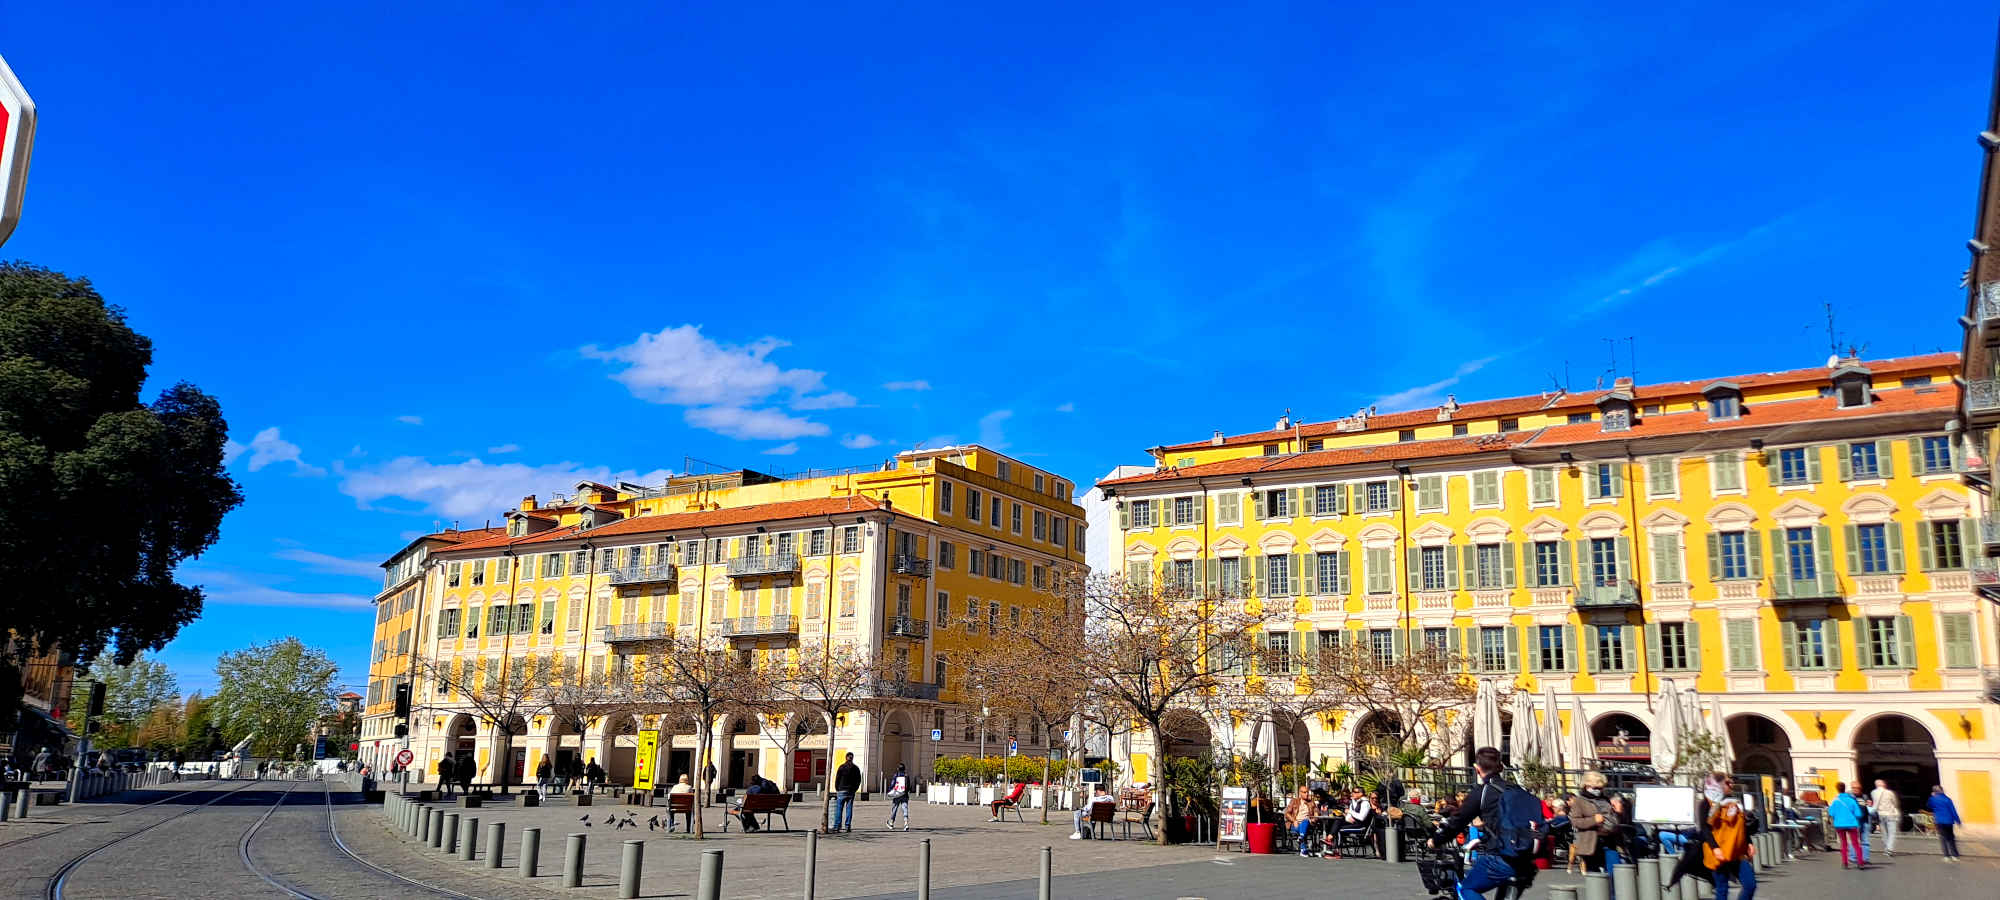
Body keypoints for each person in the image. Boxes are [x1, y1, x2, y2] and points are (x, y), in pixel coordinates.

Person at [1431, 747, 1542, 900]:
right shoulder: (1515, 789)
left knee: (1466, 888)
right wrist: (1484, 833)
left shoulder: (1482, 792)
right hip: (1526, 860)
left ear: (1477, 769)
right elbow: (1507, 824)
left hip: (1501, 859)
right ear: (1500, 767)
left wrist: (1436, 841)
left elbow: (1458, 821)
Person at [1569, 772, 1619, 887]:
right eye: (1596, 787)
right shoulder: (1579, 801)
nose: (1598, 790)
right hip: (1591, 843)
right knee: (1595, 878)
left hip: (1610, 841)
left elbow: (1612, 817)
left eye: (1601, 788)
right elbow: (1575, 821)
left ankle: (1613, 895)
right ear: (1586, 786)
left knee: (1615, 874)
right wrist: (1593, 820)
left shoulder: (1605, 799)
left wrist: (1617, 815)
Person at [1705, 789, 1757, 900]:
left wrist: (1749, 842)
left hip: (1736, 853)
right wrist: (1715, 847)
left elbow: (1741, 827)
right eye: (1727, 783)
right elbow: (1706, 829)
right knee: (1722, 888)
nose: (1731, 785)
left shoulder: (1737, 804)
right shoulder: (1711, 805)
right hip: (1720, 853)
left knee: (1750, 884)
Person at [1827, 781, 1866, 869]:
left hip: (1839, 825)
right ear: (1845, 788)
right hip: (1852, 824)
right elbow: (1858, 814)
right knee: (1856, 843)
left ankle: (1845, 863)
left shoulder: (1835, 801)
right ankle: (1860, 862)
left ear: (1837, 789)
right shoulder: (1851, 800)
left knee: (1843, 844)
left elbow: (1831, 813)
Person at [1926, 785, 1961, 862]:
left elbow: (1928, 806)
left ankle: (1946, 856)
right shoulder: (1947, 799)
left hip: (1939, 821)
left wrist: (1932, 796)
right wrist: (1958, 821)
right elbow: (1953, 810)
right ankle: (1954, 855)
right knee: (1951, 838)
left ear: (1934, 791)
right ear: (1942, 790)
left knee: (1942, 838)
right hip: (1949, 821)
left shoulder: (1932, 799)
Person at [831, 751, 862, 833]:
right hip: (851, 791)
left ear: (846, 758)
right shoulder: (855, 768)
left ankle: (837, 826)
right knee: (849, 809)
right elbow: (859, 780)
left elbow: (837, 779)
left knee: (839, 809)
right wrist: (855, 789)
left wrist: (837, 788)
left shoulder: (841, 767)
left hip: (841, 790)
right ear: (852, 758)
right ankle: (847, 826)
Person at [1867, 779, 1899, 857]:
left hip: (1880, 814)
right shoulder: (1889, 793)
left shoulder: (1873, 793)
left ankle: (1886, 848)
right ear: (1884, 784)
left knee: (1884, 833)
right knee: (1891, 833)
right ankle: (1889, 849)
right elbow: (1895, 802)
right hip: (1890, 814)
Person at [1285, 785, 1319, 857]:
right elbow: (1287, 813)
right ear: (1300, 793)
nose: (1306, 794)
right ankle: (1302, 844)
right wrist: (1294, 820)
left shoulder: (1311, 803)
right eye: (1304, 792)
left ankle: (1302, 841)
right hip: (1295, 825)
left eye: (1307, 792)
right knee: (1302, 827)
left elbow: (1316, 814)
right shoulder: (1294, 801)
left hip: (1308, 824)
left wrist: (1313, 819)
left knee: (1305, 821)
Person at [885, 763, 912, 830]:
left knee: (895, 808)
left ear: (898, 769)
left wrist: (890, 791)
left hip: (897, 794)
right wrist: (906, 791)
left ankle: (891, 822)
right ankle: (906, 823)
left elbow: (892, 784)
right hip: (904, 794)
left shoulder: (896, 775)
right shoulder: (906, 776)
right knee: (905, 808)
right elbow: (909, 785)